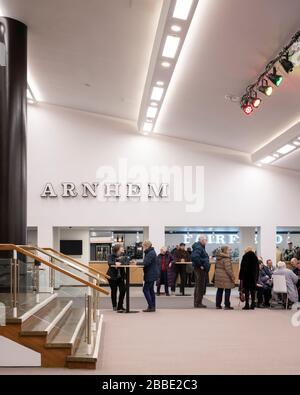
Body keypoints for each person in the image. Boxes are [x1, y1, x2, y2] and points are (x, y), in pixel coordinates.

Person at [191, 235, 210, 308]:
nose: (206, 242)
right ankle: (198, 303)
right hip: (199, 270)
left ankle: (197, 302)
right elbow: (194, 257)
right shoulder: (199, 247)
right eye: (206, 240)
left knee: (199, 286)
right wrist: (200, 265)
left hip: (199, 269)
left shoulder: (199, 247)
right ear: (202, 240)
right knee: (200, 286)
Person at [107, 244, 127, 312]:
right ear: (117, 249)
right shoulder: (110, 256)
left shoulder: (123, 255)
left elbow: (126, 263)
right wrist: (116, 263)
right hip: (112, 277)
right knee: (114, 291)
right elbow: (109, 263)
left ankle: (120, 306)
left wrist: (123, 261)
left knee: (123, 290)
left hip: (120, 277)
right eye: (121, 248)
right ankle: (114, 306)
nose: (123, 249)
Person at [139, 240, 158, 312]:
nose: (143, 248)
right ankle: (152, 306)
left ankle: (151, 306)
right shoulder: (151, 252)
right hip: (152, 273)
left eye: (143, 246)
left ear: (146, 246)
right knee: (151, 290)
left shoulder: (150, 253)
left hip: (150, 274)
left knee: (145, 290)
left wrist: (136, 263)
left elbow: (145, 263)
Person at [214, 245, 235, 310]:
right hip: (226, 277)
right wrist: (232, 276)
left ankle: (218, 305)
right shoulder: (226, 258)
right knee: (227, 290)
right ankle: (227, 305)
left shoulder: (218, 257)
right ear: (225, 250)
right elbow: (228, 269)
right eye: (229, 250)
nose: (230, 251)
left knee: (219, 290)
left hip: (218, 276)